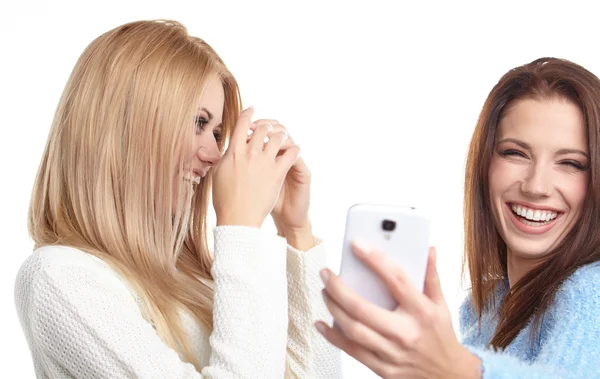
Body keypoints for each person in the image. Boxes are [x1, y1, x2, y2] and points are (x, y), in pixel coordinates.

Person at [15, 19, 342, 378]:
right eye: (198, 123)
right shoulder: (61, 278)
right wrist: (241, 226)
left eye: (217, 133)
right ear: (124, 122)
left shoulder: (194, 279)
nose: (215, 154)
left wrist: (296, 231)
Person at [315, 57, 600, 378]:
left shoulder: (591, 289)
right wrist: (297, 231)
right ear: (484, 166)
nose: (536, 186)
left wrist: (454, 369)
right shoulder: (486, 310)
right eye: (515, 153)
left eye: (572, 164)